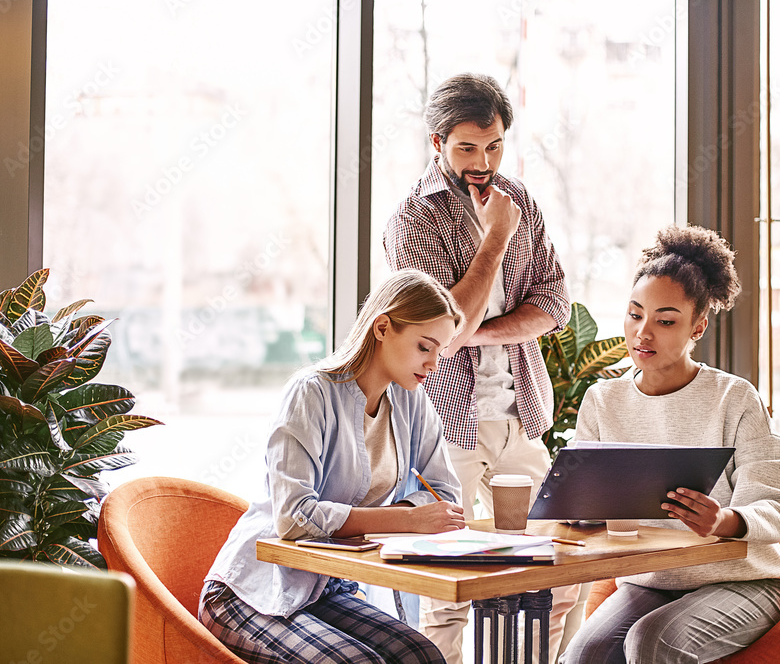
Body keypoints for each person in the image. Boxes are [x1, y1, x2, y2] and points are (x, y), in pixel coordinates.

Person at [383, 72, 580, 664]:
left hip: (520, 419)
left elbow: (554, 304)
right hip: (449, 427)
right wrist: (495, 238)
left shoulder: (519, 202)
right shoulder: (415, 218)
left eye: (493, 146)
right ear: (437, 141)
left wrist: (478, 333)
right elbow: (446, 326)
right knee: (450, 593)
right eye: (467, 147)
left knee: (560, 577)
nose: (483, 161)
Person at [200, 269, 467, 664]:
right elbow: (293, 517)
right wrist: (407, 519)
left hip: (326, 589)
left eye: (439, 353)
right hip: (252, 590)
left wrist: (405, 517)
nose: (432, 364)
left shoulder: (412, 402)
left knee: (422, 656)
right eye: (424, 347)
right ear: (382, 328)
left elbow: (443, 497)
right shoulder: (312, 392)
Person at [559, 225, 780, 664]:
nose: (643, 333)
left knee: (651, 643)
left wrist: (725, 520)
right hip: (652, 581)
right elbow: (578, 503)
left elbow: (777, 502)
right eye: (635, 314)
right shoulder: (602, 400)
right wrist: (580, 509)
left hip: (744, 581)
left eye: (665, 321)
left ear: (698, 327)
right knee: (583, 656)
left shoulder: (734, 398)